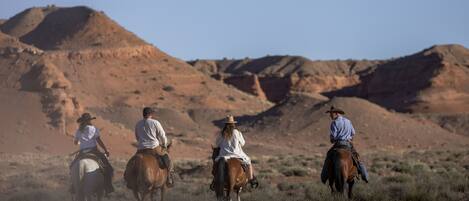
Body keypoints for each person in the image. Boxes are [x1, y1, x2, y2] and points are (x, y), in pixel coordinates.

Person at [321, 106, 369, 184]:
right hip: (348, 144)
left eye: (331, 114)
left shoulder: (334, 123)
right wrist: (349, 139)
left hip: (339, 144)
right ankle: (365, 176)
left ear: (336, 113)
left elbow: (334, 137)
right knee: (357, 159)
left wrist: (332, 139)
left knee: (328, 157)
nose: (330, 115)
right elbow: (353, 133)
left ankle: (324, 177)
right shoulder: (348, 121)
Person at [72, 113, 114, 195]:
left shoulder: (78, 130)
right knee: (108, 168)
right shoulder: (93, 128)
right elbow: (98, 140)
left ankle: (73, 186)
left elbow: (75, 142)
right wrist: (105, 150)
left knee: (72, 166)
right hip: (93, 151)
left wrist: (81, 142)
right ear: (89, 121)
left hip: (82, 152)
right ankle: (108, 186)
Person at [213, 115, 258, 188]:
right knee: (249, 161)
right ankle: (251, 180)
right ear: (233, 124)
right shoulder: (237, 132)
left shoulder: (222, 133)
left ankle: (215, 181)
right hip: (237, 154)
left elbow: (217, 144)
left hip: (224, 155)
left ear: (225, 124)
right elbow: (243, 143)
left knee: (216, 165)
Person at [134, 107, 174, 187]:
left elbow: (137, 137)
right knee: (168, 160)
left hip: (141, 149)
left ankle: (128, 178)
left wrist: (142, 143)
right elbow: (162, 135)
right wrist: (165, 144)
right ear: (150, 114)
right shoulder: (155, 123)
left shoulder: (138, 124)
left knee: (133, 161)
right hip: (153, 148)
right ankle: (169, 177)